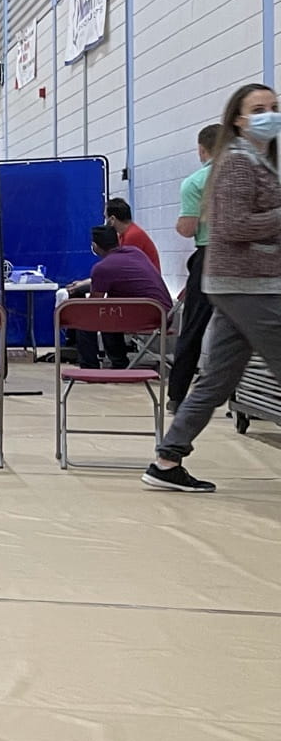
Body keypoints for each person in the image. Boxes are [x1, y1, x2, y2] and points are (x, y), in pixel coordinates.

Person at [147, 83, 281, 493]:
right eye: (258, 108)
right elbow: (233, 226)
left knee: (217, 379)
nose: (269, 114)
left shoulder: (261, 160)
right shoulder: (240, 162)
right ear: (238, 119)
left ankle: (167, 461)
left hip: (235, 282)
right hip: (248, 284)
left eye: (274, 107)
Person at [61, 225, 173, 369]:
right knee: (110, 312)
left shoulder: (102, 268)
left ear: (95, 246)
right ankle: (118, 362)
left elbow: (94, 305)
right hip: (164, 314)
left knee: (85, 319)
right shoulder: (136, 253)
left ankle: (89, 366)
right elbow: (122, 277)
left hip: (146, 318)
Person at [169, 125, 224, 410]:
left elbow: (188, 228)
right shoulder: (249, 175)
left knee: (193, 328)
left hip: (211, 255)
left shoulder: (196, 181)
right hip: (249, 259)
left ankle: (177, 395)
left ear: (201, 149)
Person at [105, 197, 161, 271]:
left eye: (105, 217)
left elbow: (122, 267)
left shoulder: (132, 236)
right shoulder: (124, 235)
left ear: (112, 219)